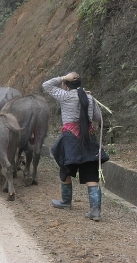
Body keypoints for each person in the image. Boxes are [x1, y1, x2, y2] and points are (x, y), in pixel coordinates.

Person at [42, 72, 109, 222]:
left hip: (71, 139)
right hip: (88, 139)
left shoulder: (64, 96)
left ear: (66, 85)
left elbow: (46, 85)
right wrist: (89, 99)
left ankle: (66, 202)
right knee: (91, 174)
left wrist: (63, 77)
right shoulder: (89, 98)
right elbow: (98, 118)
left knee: (66, 168)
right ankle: (95, 211)